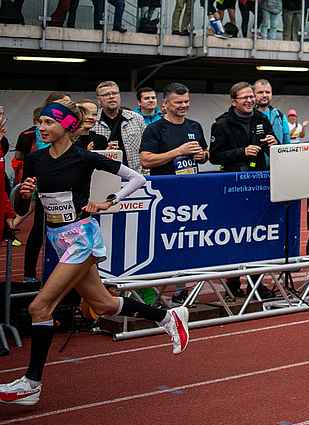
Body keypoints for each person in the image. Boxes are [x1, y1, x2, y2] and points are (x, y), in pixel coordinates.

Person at [0, 101, 188, 406]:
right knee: (102, 304)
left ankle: (32, 383)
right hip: (56, 237)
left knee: (39, 308)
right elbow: (26, 208)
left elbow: (138, 178)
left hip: (82, 238)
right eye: (41, 122)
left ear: (68, 126)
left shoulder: (84, 157)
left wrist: (108, 200)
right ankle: (169, 316)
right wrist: (24, 194)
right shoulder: (35, 160)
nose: (42, 127)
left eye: (49, 122)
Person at [139, 83, 208, 174]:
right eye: (178, 102)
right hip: (165, 185)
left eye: (186, 101)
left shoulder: (195, 126)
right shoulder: (154, 128)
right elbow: (145, 161)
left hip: (191, 183)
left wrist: (203, 156)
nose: (183, 105)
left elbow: (206, 151)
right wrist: (179, 151)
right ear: (165, 103)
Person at [209, 81, 276, 173]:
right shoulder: (221, 124)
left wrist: (274, 144)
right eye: (245, 97)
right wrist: (243, 152)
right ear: (234, 102)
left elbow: (273, 151)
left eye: (251, 97)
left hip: (259, 176)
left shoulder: (262, 119)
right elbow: (214, 157)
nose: (249, 101)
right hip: (233, 179)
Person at [91, 81, 144, 167]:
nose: (111, 97)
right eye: (106, 94)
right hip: (102, 174)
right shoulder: (92, 122)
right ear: (99, 100)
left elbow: (145, 149)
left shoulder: (136, 118)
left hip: (134, 174)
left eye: (115, 93)